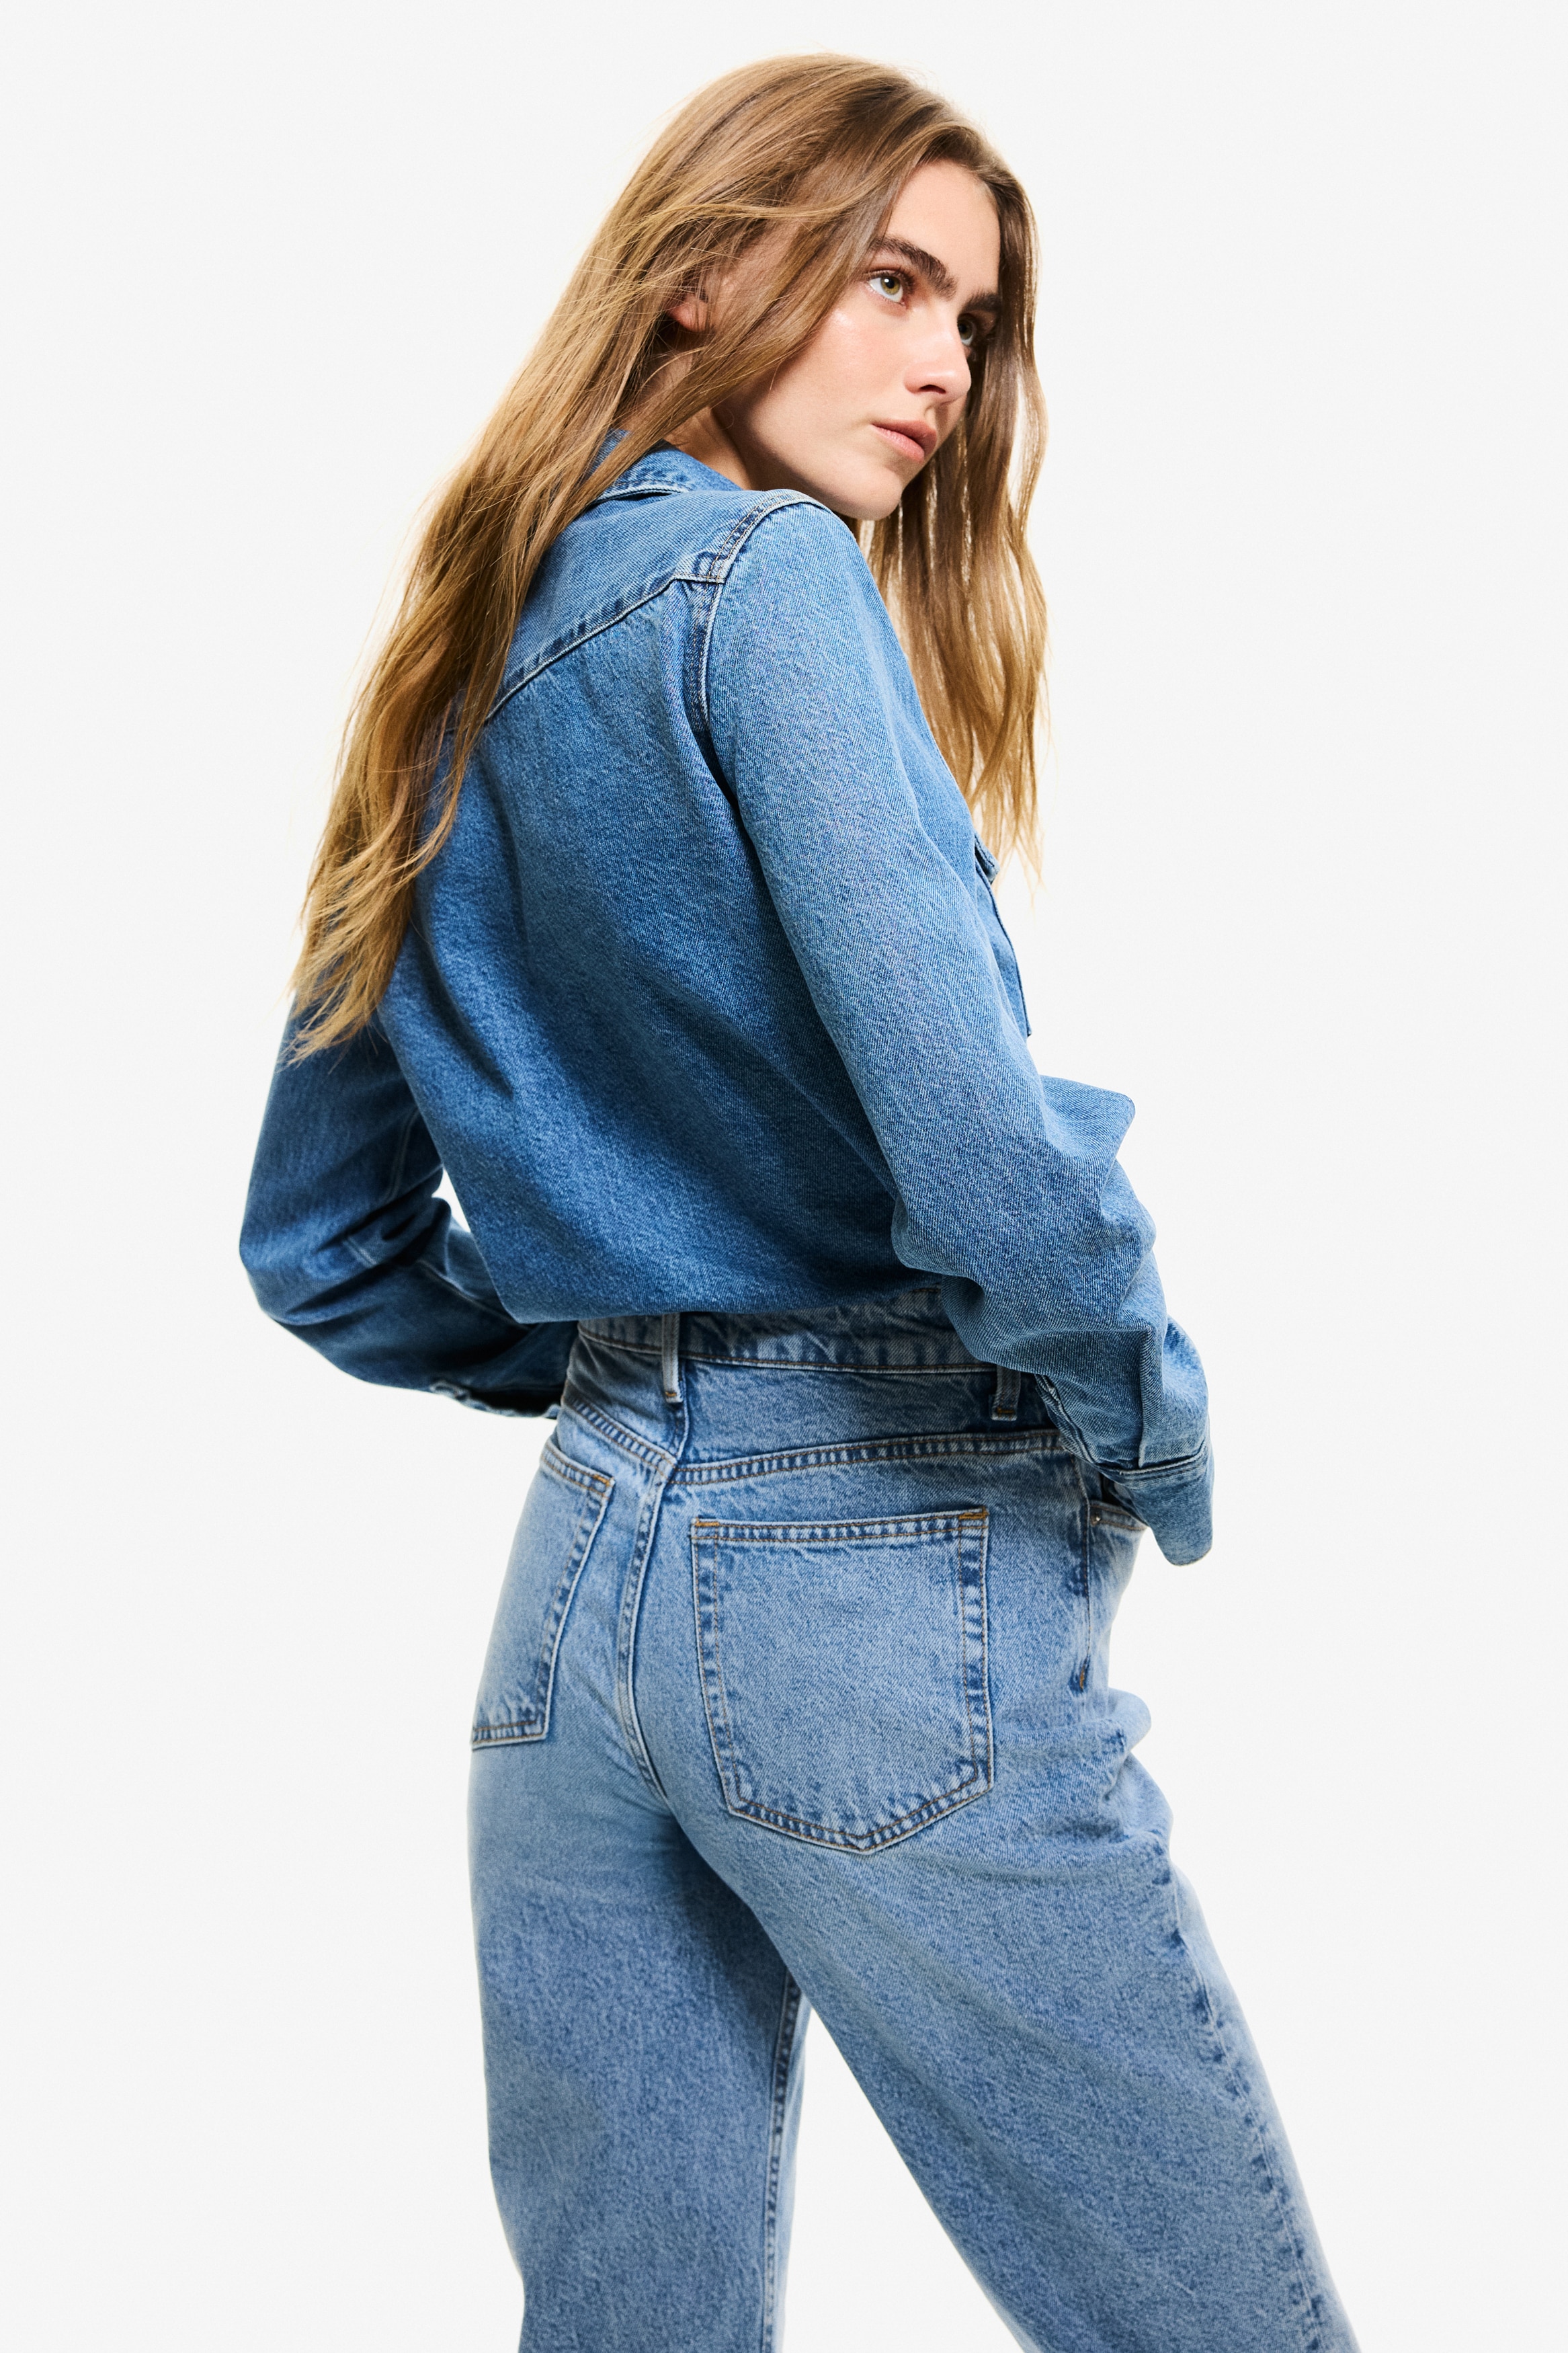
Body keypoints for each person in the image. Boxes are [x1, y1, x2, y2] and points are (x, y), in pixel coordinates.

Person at [241, 53, 1358, 2353]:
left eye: (979, 317)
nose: (945, 365)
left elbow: (322, 1241)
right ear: (704, 274)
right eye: (892, 281)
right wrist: (1146, 1419)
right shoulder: (766, 582)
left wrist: (632, 1363)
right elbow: (982, 1157)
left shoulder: (453, 653)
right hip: (868, 1557)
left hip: (577, 1597)